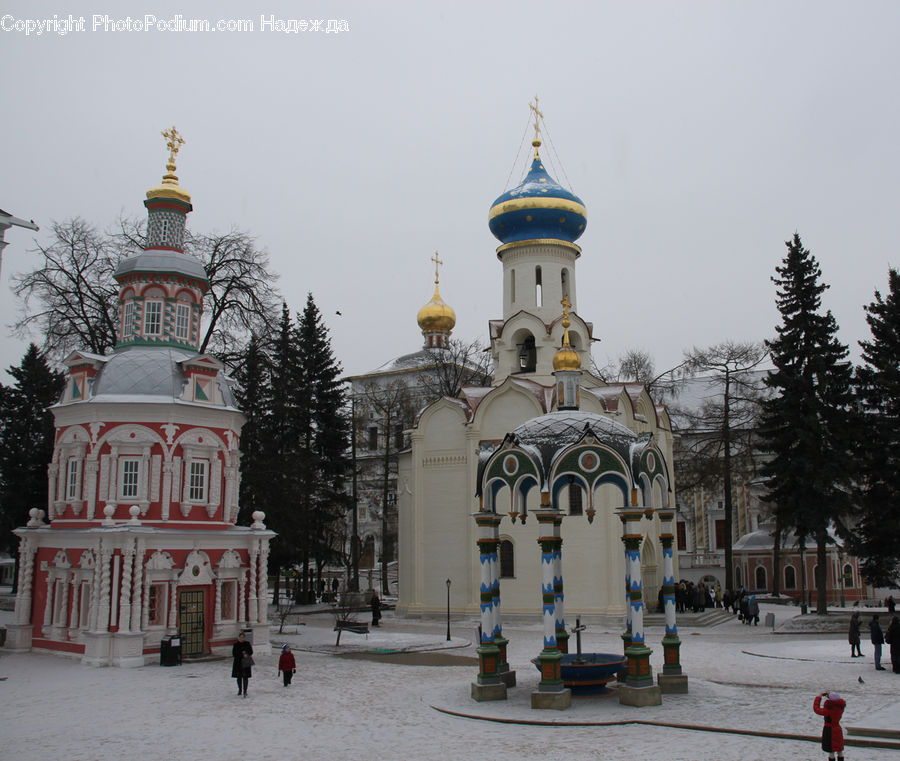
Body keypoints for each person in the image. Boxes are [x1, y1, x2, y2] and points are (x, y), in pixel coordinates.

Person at [813, 691, 846, 761]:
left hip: (829, 730)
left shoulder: (828, 711)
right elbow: (836, 701)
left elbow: (816, 709)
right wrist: (830, 695)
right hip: (838, 729)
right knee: (839, 750)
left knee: (831, 751)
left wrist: (819, 697)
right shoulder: (841, 708)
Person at [232, 631, 253, 697]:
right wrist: (241, 655)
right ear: (238, 638)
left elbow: (251, 651)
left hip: (246, 662)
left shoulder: (247, 644)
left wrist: (246, 654)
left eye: (243, 637)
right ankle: (240, 689)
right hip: (238, 663)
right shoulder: (236, 645)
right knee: (239, 677)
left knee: (245, 677)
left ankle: (245, 691)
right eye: (240, 637)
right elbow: (234, 654)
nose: (241, 639)